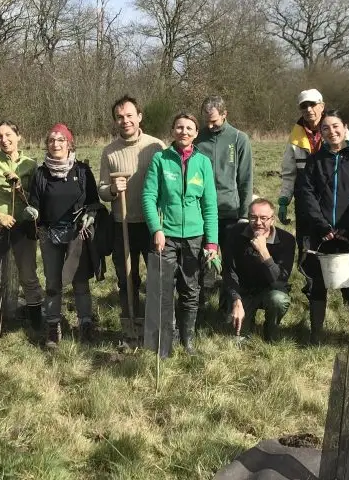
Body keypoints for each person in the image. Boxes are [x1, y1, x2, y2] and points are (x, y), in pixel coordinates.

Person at [142, 112, 219, 355]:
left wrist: (212, 242)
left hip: (195, 238)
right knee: (163, 291)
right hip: (166, 236)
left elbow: (209, 205)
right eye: (179, 127)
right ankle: (163, 343)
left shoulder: (203, 163)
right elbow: (149, 196)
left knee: (190, 290)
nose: (183, 132)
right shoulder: (160, 159)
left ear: (196, 133)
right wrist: (156, 228)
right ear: (172, 131)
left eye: (189, 128)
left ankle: (187, 341)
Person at [295, 109, 349, 345]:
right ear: (321, 132)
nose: (332, 132)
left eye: (336, 126)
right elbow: (306, 194)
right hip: (319, 232)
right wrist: (321, 225)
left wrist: (348, 226)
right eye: (326, 128)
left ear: (345, 126)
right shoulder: (314, 161)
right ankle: (316, 334)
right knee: (317, 280)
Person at [28, 123, 101, 349]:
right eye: (51, 140)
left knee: (80, 281)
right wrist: (31, 211)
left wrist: (90, 214)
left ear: (70, 143)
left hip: (76, 234)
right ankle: (53, 326)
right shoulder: (40, 174)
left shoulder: (82, 171)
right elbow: (34, 203)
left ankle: (85, 324)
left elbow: (93, 201)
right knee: (52, 282)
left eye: (61, 140)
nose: (56, 144)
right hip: (49, 235)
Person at [97, 96, 166, 326]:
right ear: (115, 121)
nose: (125, 120)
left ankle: (156, 325)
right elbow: (102, 190)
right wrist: (113, 190)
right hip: (122, 223)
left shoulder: (156, 146)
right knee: (127, 278)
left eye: (129, 115)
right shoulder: (109, 152)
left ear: (139, 116)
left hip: (151, 224)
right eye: (119, 117)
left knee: (157, 277)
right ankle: (130, 323)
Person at [0, 121, 42, 342]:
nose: (4, 140)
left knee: (29, 276)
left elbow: (35, 199)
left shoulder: (31, 165)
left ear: (18, 136)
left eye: (9, 134)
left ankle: (36, 324)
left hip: (22, 228)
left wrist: (20, 188)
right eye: (0, 136)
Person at [194, 95, 254, 318]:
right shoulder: (197, 139)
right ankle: (197, 305)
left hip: (230, 211)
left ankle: (228, 307)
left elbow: (245, 179)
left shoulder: (239, 139)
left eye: (214, 122)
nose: (210, 126)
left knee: (231, 262)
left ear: (225, 115)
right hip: (201, 212)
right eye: (206, 121)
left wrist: (244, 214)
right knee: (200, 260)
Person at [277, 89, 327, 297]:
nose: (308, 109)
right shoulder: (296, 136)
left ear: (322, 106)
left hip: (331, 198)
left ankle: (336, 283)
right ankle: (311, 284)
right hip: (304, 199)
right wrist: (284, 199)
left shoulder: (335, 127)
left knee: (330, 242)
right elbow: (289, 172)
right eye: (303, 106)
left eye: (312, 104)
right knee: (306, 244)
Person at [225, 198, 296, 342]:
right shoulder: (234, 233)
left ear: (272, 219)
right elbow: (229, 271)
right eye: (253, 217)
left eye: (263, 218)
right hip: (243, 291)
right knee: (237, 336)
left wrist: (264, 252)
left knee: (278, 299)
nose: (258, 222)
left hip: (270, 290)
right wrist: (235, 299)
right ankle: (244, 319)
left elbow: (280, 281)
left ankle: (271, 329)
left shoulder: (287, 240)